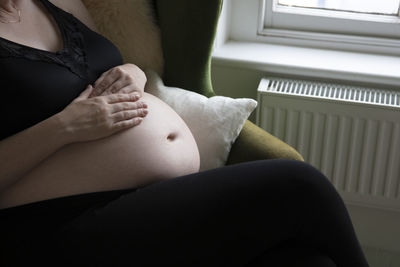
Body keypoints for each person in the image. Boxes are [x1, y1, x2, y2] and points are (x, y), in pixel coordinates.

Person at [0, 0, 369, 266]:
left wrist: (134, 73)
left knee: (305, 261)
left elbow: (107, 67)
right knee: (299, 185)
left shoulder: (55, 3)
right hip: (54, 226)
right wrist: (65, 127)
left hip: (146, 199)